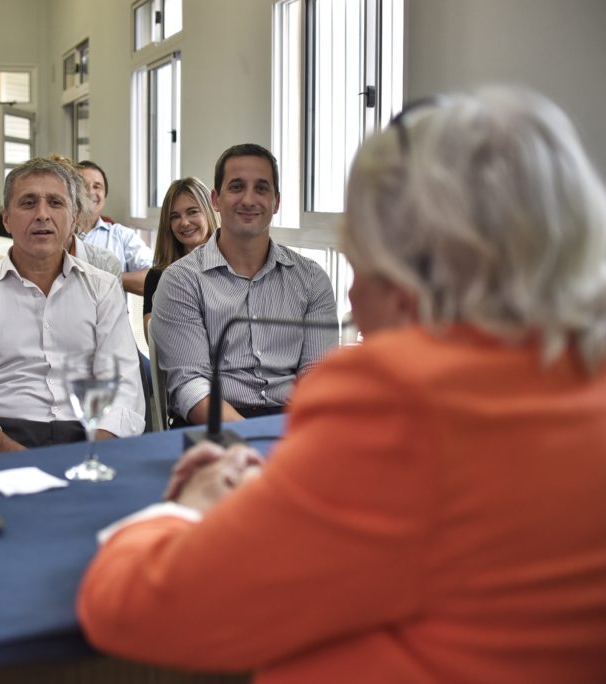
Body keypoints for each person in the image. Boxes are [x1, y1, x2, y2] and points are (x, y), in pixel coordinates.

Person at [78, 87, 606, 683]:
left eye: (362, 252)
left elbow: (131, 609)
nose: (352, 290)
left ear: (413, 257)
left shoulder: (393, 403)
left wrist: (186, 507)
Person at [0, 157, 144, 453]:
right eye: (28, 203)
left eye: (55, 203)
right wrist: (16, 456)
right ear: (6, 219)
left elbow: (125, 387)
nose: (42, 215)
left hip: (90, 435)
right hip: (0, 438)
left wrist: (90, 455)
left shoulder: (103, 289)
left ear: (74, 218)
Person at [150, 144, 338, 426]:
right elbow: (191, 385)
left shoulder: (311, 279)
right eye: (237, 187)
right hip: (211, 423)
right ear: (216, 199)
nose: (249, 200)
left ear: (276, 202)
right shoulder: (181, 280)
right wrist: (254, 438)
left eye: (261, 189)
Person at [143, 177, 218, 338]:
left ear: (209, 211)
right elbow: (154, 340)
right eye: (175, 216)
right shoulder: (158, 276)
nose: (184, 222)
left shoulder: (232, 267)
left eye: (192, 212)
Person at [76, 160, 153, 295]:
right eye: (83, 186)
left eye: (97, 186)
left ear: (104, 196)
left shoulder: (122, 236)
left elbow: (154, 278)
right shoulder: (56, 235)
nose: (90, 191)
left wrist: (106, 278)